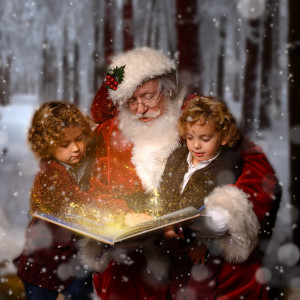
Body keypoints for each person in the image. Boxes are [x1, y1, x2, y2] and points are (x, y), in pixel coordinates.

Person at [83, 47, 280, 300]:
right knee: (124, 273)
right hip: (137, 242)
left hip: (196, 234)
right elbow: (93, 191)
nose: (140, 109)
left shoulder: (194, 117)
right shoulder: (108, 134)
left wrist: (225, 212)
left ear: (169, 91)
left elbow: (254, 164)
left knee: (227, 272)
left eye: (148, 97)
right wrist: (123, 214)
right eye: (131, 100)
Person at [13, 101, 136, 300]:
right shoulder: (49, 174)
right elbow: (78, 203)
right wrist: (123, 213)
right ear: (47, 145)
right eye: (65, 144)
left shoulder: (79, 166)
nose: (76, 148)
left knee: (82, 291)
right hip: (43, 258)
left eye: (79, 139)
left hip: (72, 257)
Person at [159, 95, 261, 300]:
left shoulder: (228, 163)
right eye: (190, 137)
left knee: (199, 289)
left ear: (222, 137)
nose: (196, 145)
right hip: (177, 235)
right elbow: (165, 192)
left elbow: (222, 209)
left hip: (206, 239)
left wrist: (204, 243)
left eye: (205, 139)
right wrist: (168, 230)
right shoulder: (178, 156)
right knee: (176, 286)